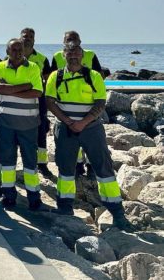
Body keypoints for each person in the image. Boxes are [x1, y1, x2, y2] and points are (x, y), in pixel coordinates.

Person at [45, 42, 132, 229]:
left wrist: (83, 122)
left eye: (77, 53)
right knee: (65, 169)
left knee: (104, 168)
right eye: (69, 53)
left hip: (91, 128)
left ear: (83, 56)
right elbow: (50, 102)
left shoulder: (93, 76)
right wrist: (69, 122)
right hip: (65, 128)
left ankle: (117, 213)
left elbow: (100, 102)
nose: (73, 56)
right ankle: (65, 206)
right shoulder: (56, 76)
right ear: (64, 55)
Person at [0, 39, 45, 210]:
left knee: (30, 162)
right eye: (14, 49)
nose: (17, 52)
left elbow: (37, 92)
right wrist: (24, 86)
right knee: (7, 162)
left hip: (28, 124)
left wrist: (11, 88)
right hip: (5, 123)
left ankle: (34, 198)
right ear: (7, 51)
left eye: (20, 49)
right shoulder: (0, 66)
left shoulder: (33, 67)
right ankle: (8, 196)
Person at [50, 30, 103, 177]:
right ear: (64, 44)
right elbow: (52, 82)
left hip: (89, 109)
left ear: (80, 41)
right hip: (66, 115)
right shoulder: (57, 56)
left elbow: (100, 75)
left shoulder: (90, 54)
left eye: (75, 39)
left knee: (92, 146)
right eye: (68, 39)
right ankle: (78, 165)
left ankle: (91, 167)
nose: (72, 42)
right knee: (70, 149)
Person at [20, 27, 52, 175]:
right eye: (25, 36)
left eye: (30, 36)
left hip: (38, 100)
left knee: (41, 131)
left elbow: (48, 81)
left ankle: (42, 163)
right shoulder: (12, 58)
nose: (27, 39)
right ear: (20, 38)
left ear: (34, 39)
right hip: (18, 101)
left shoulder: (42, 59)